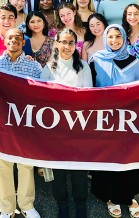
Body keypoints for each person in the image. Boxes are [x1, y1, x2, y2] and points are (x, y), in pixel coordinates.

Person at [0, 28, 42, 218]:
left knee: (26, 166)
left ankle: (27, 205)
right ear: (4, 40)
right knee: (3, 167)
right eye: (10, 38)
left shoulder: (34, 67)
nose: (14, 41)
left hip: (26, 125)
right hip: (2, 125)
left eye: (18, 38)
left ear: (23, 42)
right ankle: (7, 209)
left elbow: (43, 97)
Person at [90, 24, 139, 218]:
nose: (114, 40)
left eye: (118, 37)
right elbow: (89, 88)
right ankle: (110, 197)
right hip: (103, 119)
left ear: (124, 38)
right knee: (107, 157)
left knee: (128, 158)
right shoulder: (96, 60)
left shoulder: (134, 62)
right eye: (110, 37)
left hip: (127, 119)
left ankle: (129, 197)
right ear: (105, 38)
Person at [40, 29, 92, 218]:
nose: (67, 46)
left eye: (71, 43)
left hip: (78, 127)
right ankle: (62, 204)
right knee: (59, 172)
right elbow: (41, 98)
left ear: (75, 45)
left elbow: (88, 96)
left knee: (79, 172)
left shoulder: (83, 66)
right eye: (63, 42)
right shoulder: (48, 68)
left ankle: (81, 205)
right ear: (56, 43)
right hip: (56, 129)